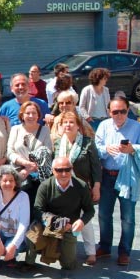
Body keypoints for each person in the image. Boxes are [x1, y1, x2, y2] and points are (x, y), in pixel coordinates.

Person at [94, 96, 140, 266]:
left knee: (128, 217)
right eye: (115, 112)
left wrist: (133, 149)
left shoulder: (138, 128)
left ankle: (124, 251)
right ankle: (105, 247)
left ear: (128, 110)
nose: (119, 115)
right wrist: (106, 149)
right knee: (104, 214)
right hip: (107, 176)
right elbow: (96, 148)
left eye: (122, 111)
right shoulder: (104, 126)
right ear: (109, 112)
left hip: (128, 176)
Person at [24, 156, 94, 271]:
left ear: (72, 169)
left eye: (67, 169)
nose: (64, 173)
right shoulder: (46, 186)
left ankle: (60, 251)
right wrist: (56, 223)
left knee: (68, 266)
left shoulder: (81, 186)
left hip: (68, 228)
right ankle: (29, 262)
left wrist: (82, 221)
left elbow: (90, 210)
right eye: (59, 170)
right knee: (32, 233)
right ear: (53, 171)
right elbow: (37, 210)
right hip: (48, 225)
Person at [52, 110, 101, 265]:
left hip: (82, 187)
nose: (68, 125)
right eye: (65, 122)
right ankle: (61, 249)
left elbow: (96, 167)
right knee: (62, 219)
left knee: (84, 220)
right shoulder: (58, 143)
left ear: (78, 126)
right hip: (62, 187)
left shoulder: (87, 142)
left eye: (71, 122)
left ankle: (91, 252)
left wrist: (96, 187)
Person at [0, 166, 30, 271]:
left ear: (16, 182)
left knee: (11, 250)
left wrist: (13, 245)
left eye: (11, 180)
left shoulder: (23, 196)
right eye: (5, 180)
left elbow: (24, 223)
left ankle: (10, 257)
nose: (8, 184)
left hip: (14, 235)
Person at [7, 100, 53, 205]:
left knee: (36, 207)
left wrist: (32, 167)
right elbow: (10, 152)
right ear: (22, 115)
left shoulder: (45, 130)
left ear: (38, 116)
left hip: (39, 176)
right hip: (19, 174)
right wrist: (25, 164)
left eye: (34, 113)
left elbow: (48, 152)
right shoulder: (15, 129)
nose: (31, 116)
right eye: (28, 113)